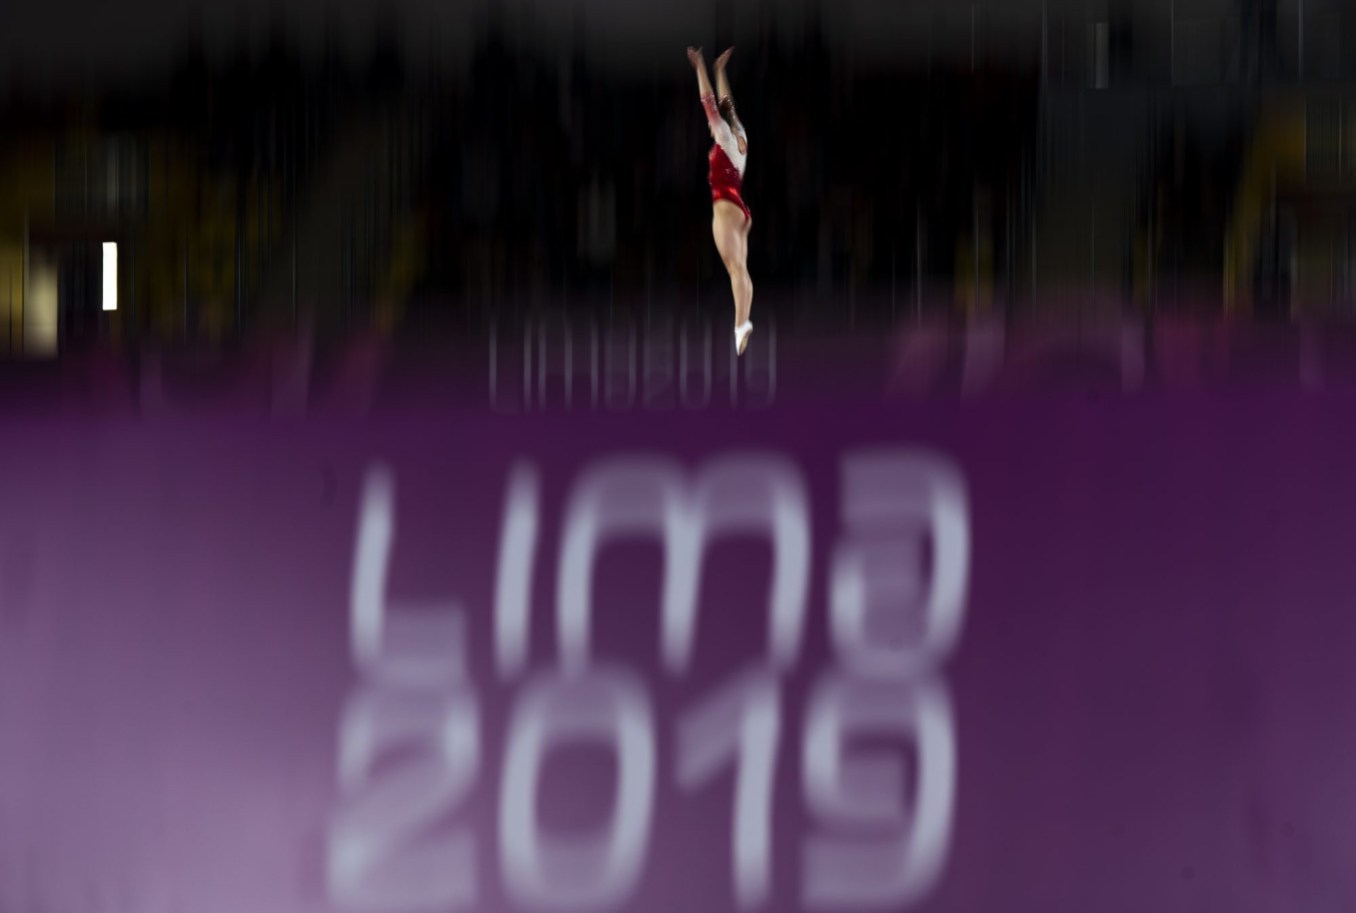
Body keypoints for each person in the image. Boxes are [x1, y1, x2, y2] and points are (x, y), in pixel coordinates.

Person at [687, 46, 753, 355]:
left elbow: (710, 103)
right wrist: (720, 70)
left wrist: (700, 66)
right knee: (741, 270)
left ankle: (742, 325)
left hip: (725, 207)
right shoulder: (739, 133)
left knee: (735, 270)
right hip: (740, 210)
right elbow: (728, 104)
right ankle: (742, 324)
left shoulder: (724, 134)